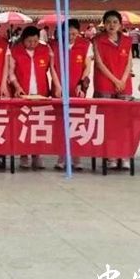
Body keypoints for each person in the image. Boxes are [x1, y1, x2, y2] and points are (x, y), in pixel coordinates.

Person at [8, 26, 61, 170]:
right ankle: (24, 155)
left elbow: (52, 70)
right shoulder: (15, 51)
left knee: (39, 125)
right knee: (23, 125)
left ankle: (37, 155)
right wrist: (17, 86)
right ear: (23, 40)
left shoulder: (45, 50)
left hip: (41, 93)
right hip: (22, 94)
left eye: (35, 41)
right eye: (29, 41)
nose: (32, 44)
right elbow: (11, 72)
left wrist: (57, 86)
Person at [92, 10, 133, 171]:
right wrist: (115, 80)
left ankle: (124, 155)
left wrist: (122, 79)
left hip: (124, 85)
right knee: (108, 122)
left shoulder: (127, 40)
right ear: (104, 24)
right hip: (105, 84)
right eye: (108, 22)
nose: (112, 25)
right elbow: (99, 63)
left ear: (120, 25)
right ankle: (111, 156)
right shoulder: (97, 40)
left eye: (115, 22)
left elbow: (129, 62)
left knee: (124, 122)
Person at [51, 19, 92, 171]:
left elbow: (87, 67)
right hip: (59, 89)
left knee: (77, 122)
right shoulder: (54, 46)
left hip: (77, 89)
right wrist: (57, 85)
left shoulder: (85, 45)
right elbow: (52, 67)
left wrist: (81, 83)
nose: (71, 37)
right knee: (61, 124)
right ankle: (61, 157)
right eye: (67, 34)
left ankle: (76, 157)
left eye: (74, 34)